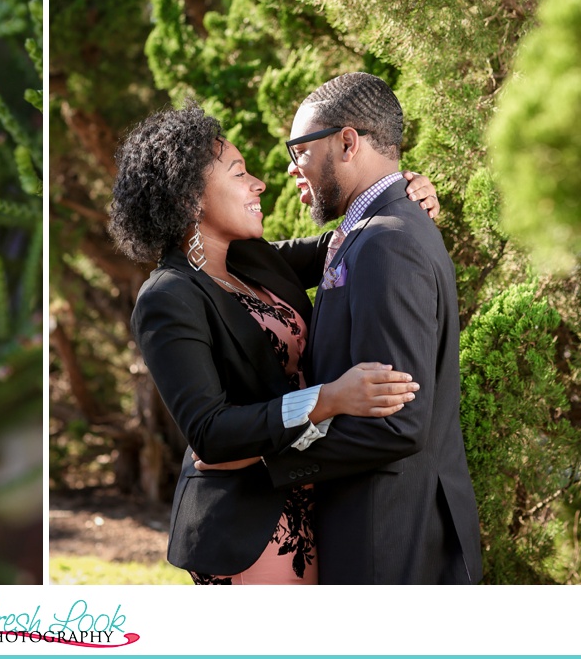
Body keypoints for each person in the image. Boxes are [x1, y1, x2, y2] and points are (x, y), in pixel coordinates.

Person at [108, 103, 436, 584]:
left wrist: (404, 189)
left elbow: (356, 239)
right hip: (251, 529)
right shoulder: (167, 297)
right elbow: (210, 434)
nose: (258, 183)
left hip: (315, 503)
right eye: (239, 173)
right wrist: (328, 399)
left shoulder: (253, 262)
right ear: (190, 200)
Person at [261, 72, 482, 584]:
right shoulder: (373, 230)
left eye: (298, 150)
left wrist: (267, 464)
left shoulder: (389, 241)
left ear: (346, 142)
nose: (292, 168)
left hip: (390, 542)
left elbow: (396, 423)